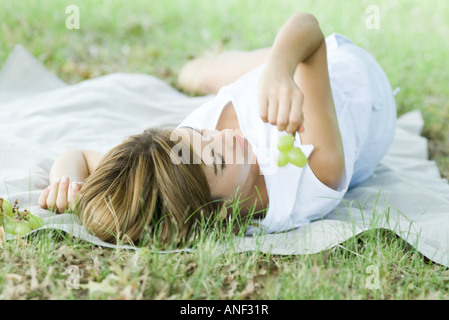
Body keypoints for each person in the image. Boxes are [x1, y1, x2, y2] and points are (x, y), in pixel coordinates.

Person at [38, 12, 397, 245]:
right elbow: (310, 33)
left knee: (215, 74)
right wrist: (284, 67)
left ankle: (198, 70)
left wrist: (66, 185)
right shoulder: (316, 171)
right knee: (264, 66)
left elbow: (80, 156)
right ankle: (229, 69)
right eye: (218, 161)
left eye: (199, 133)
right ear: (217, 213)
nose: (220, 135)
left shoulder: (177, 160)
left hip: (274, 77)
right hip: (349, 74)